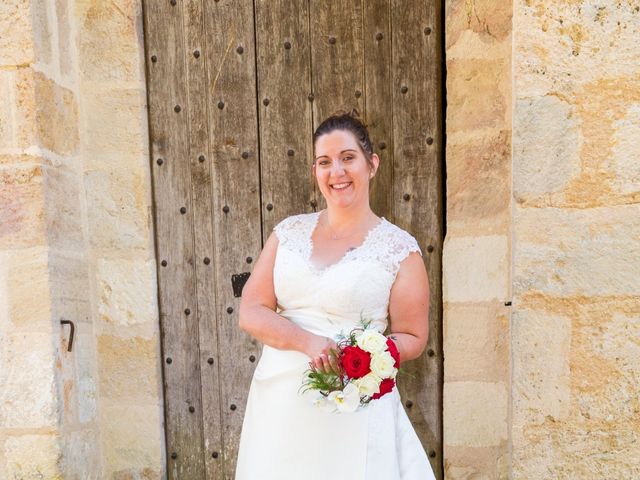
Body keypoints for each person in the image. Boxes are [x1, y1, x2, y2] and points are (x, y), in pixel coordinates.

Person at [235, 111, 436, 480]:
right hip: (280, 403)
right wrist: (310, 343)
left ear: (371, 164)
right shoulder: (287, 233)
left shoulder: (399, 250)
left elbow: (413, 337)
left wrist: (369, 355)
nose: (337, 172)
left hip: (354, 403)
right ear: (315, 172)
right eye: (325, 162)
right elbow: (251, 310)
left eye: (348, 158)